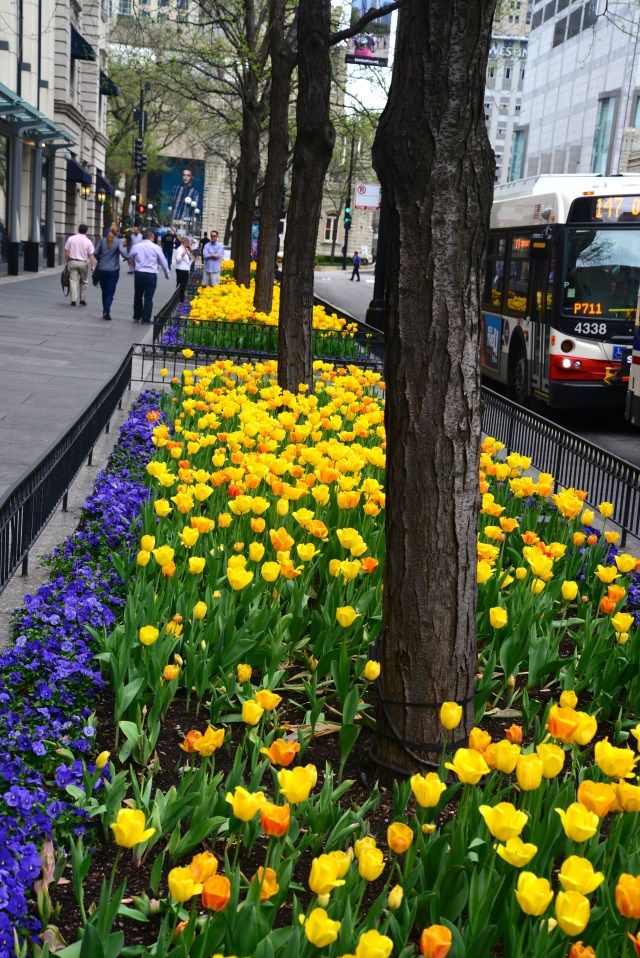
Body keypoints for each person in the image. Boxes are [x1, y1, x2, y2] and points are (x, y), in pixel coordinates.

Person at [129, 228, 170, 324]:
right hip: (151, 275)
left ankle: (137, 315)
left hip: (139, 274)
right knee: (149, 297)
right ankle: (145, 318)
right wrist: (167, 274)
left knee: (138, 295)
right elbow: (163, 261)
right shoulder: (156, 248)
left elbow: (129, 258)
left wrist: (133, 267)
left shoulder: (136, 246)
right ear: (151, 237)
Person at [93, 225, 129, 321]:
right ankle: (106, 310)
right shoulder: (118, 242)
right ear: (117, 233)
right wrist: (128, 257)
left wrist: (100, 259)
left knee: (104, 291)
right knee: (110, 291)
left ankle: (105, 308)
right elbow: (122, 252)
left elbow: (95, 252)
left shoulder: (102, 241)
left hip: (102, 269)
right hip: (113, 270)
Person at [64, 224, 95, 307]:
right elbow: (91, 254)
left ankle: (73, 300)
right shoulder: (88, 241)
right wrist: (92, 265)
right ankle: (82, 299)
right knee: (84, 281)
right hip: (83, 263)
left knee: (73, 281)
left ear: (78, 229)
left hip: (72, 262)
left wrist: (66, 262)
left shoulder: (71, 239)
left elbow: (67, 251)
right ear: (86, 231)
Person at [174, 237, 195, 303]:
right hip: (181, 269)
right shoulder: (179, 249)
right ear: (182, 243)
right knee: (180, 285)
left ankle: (180, 298)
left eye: (188, 243)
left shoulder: (187, 249)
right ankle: (179, 299)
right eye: (186, 243)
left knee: (184, 285)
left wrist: (191, 252)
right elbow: (177, 260)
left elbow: (191, 259)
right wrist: (182, 254)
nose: (187, 244)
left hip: (186, 269)